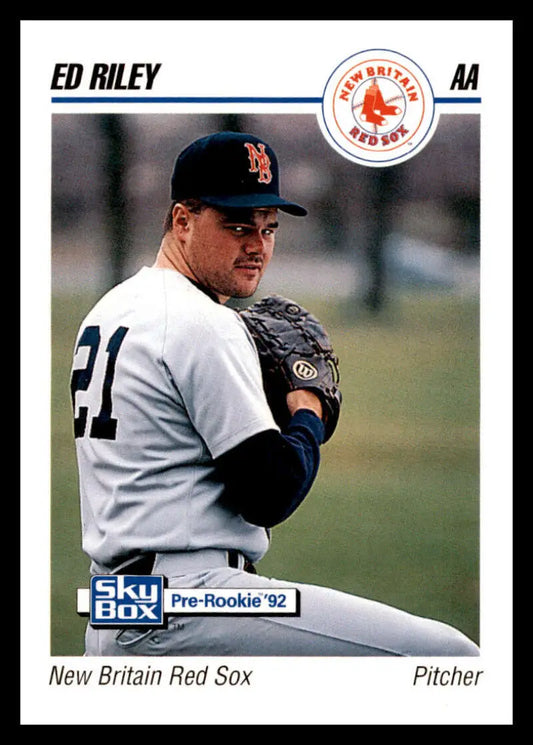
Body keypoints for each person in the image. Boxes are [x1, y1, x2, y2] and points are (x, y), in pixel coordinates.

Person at [71, 130, 479, 656]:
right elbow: (270, 492)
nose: (257, 245)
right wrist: (306, 406)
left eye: (268, 228)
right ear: (182, 220)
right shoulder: (203, 323)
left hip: (121, 603)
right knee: (448, 657)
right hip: (190, 606)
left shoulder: (111, 309)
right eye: (238, 225)